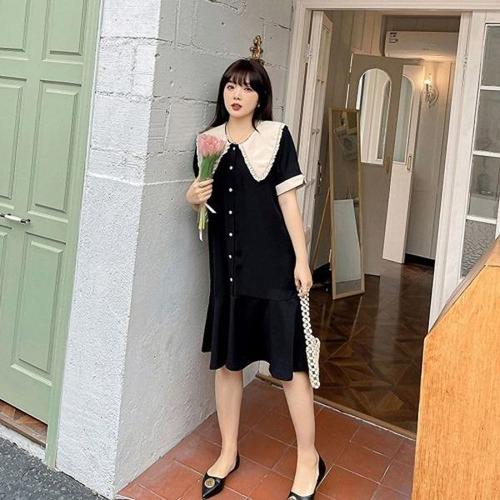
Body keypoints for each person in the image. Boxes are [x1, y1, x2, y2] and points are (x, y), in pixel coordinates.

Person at [185, 58, 326, 499]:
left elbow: (288, 203)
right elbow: (205, 206)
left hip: (273, 269)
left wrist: (302, 260)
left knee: (290, 368)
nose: (237, 94)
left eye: (247, 87)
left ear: (260, 97)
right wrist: (191, 197)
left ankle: (309, 459)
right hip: (228, 274)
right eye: (231, 85)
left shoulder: (276, 137)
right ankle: (228, 452)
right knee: (229, 365)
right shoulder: (207, 141)